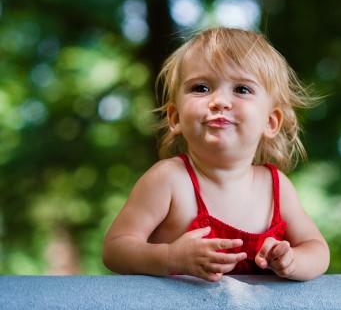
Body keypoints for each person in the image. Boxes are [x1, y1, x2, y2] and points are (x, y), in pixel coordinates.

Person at [102, 26, 329, 282]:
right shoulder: (169, 180)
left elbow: (318, 250)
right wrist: (170, 257)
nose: (219, 101)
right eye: (201, 88)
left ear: (270, 122)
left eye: (242, 89)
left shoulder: (276, 187)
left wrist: (294, 261)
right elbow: (115, 249)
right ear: (175, 117)